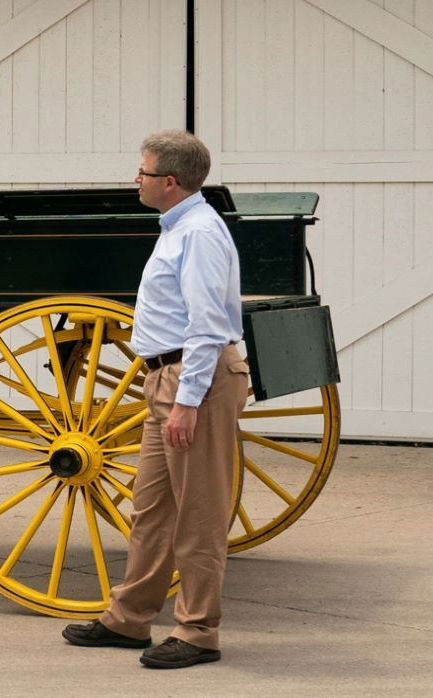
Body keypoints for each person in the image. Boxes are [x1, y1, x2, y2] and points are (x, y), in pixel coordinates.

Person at [62, 131, 248, 668]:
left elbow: (208, 325)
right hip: (167, 379)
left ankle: (198, 632)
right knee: (151, 508)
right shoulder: (179, 228)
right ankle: (129, 619)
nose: (135, 180)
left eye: (141, 172)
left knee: (198, 516)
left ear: (169, 181)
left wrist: (187, 401)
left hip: (195, 380)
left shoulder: (200, 234)